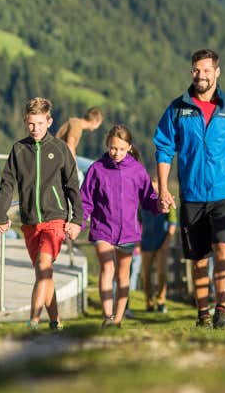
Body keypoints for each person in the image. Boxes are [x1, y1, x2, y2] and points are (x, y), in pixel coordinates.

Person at [154, 48, 225, 329]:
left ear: (217, 72)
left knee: (223, 249)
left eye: (206, 71)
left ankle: (222, 310)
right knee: (198, 259)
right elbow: (164, 149)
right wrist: (163, 189)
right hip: (191, 194)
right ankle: (203, 314)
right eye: (196, 70)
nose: (201, 76)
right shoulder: (178, 108)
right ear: (191, 72)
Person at [0, 97, 83, 329]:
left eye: (40, 124)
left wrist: (76, 219)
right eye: (31, 124)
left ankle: (33, 321)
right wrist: (0, 215)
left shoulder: (60, 149)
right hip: (30, 221)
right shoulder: (19, 149)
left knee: (43, 266)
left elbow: (73, 186)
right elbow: (7, 184)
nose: (35, 129)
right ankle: (55, 321)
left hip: (55, 218)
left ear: (49, 121)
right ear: (25, 121)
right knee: (45, 274)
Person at [80, 125, 162, 327]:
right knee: (107, 269)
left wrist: (161, 203)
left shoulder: (137, 171)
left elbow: (149, 200)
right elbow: (85, 201)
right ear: (107, 145)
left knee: (123, 275)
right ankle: (107, 317)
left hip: (128, 232)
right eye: (113, 148)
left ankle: (118, 318)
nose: (116, 153)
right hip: (102, 229)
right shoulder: (97, 169)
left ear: (129, 148)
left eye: (121, 149)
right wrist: (78, 224)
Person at [139, 198, 178, 314]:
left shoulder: (168, 202)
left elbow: (173, 223)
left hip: (162, 244)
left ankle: (161, 302)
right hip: (146, 243)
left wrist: (166, 242)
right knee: (145, 275)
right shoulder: (142, 204)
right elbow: (137, 221)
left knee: (162, 274)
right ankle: (149, 303)